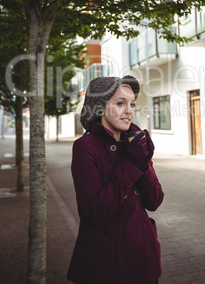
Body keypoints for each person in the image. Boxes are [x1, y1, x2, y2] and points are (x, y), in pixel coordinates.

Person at [67, 75, 164, 284]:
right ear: (100, 107)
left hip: (144, 258)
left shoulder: (136, 143)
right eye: (120, 103)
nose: (129, 110)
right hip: (107, 263)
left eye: (132, 104)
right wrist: (130, 163)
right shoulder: (85, 147)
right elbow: (94, 212)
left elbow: (154, 201)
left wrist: (143, 161)